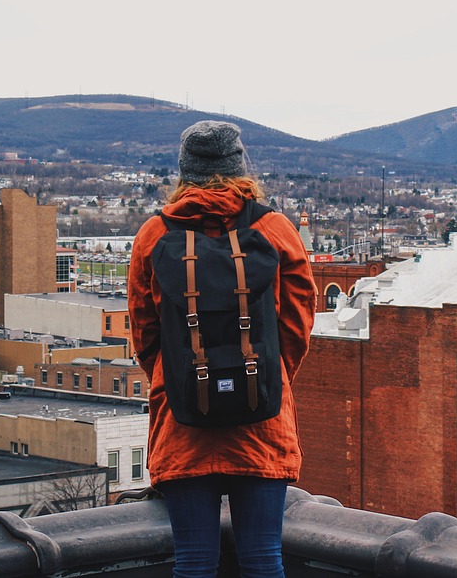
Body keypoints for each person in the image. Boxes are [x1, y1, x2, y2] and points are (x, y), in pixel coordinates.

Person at [128, 120, 317, 578]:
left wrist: (178, 377)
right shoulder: (275, 228)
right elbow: (298, 323)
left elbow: (144, 334)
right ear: (239, 166)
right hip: (262, 417)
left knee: (193, 560)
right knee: (262, 558)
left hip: (183, 420)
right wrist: (266, 376)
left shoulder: (154, 234)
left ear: (184, 172)